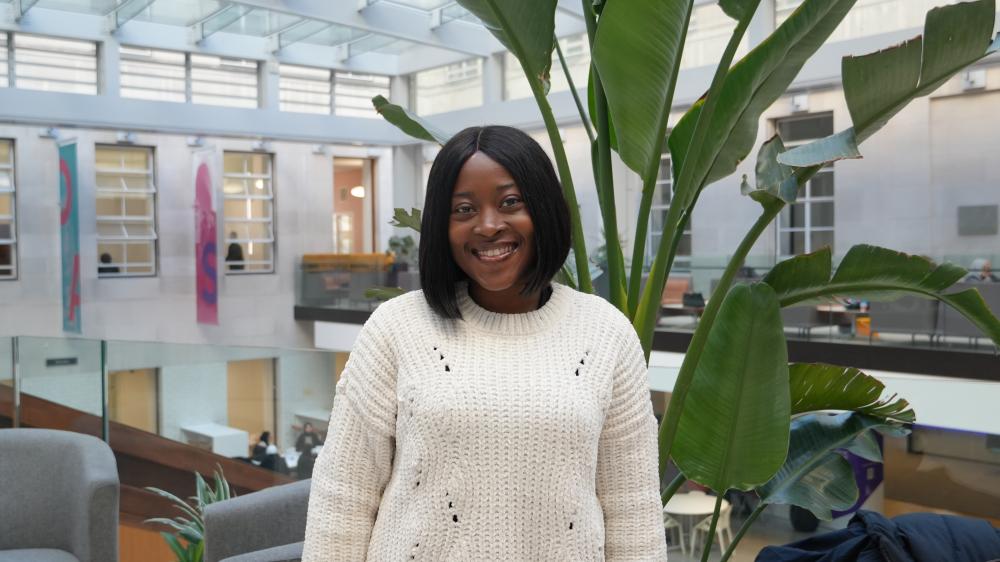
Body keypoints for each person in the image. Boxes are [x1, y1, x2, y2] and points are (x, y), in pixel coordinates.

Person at [303, 126, 667, 560]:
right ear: (442, 225)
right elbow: (344, 495)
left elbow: (632, 509)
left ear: (544, 208)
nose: (489, 226)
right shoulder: (396, 328)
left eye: (510, 202)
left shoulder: (606, 333)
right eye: (464, 209)